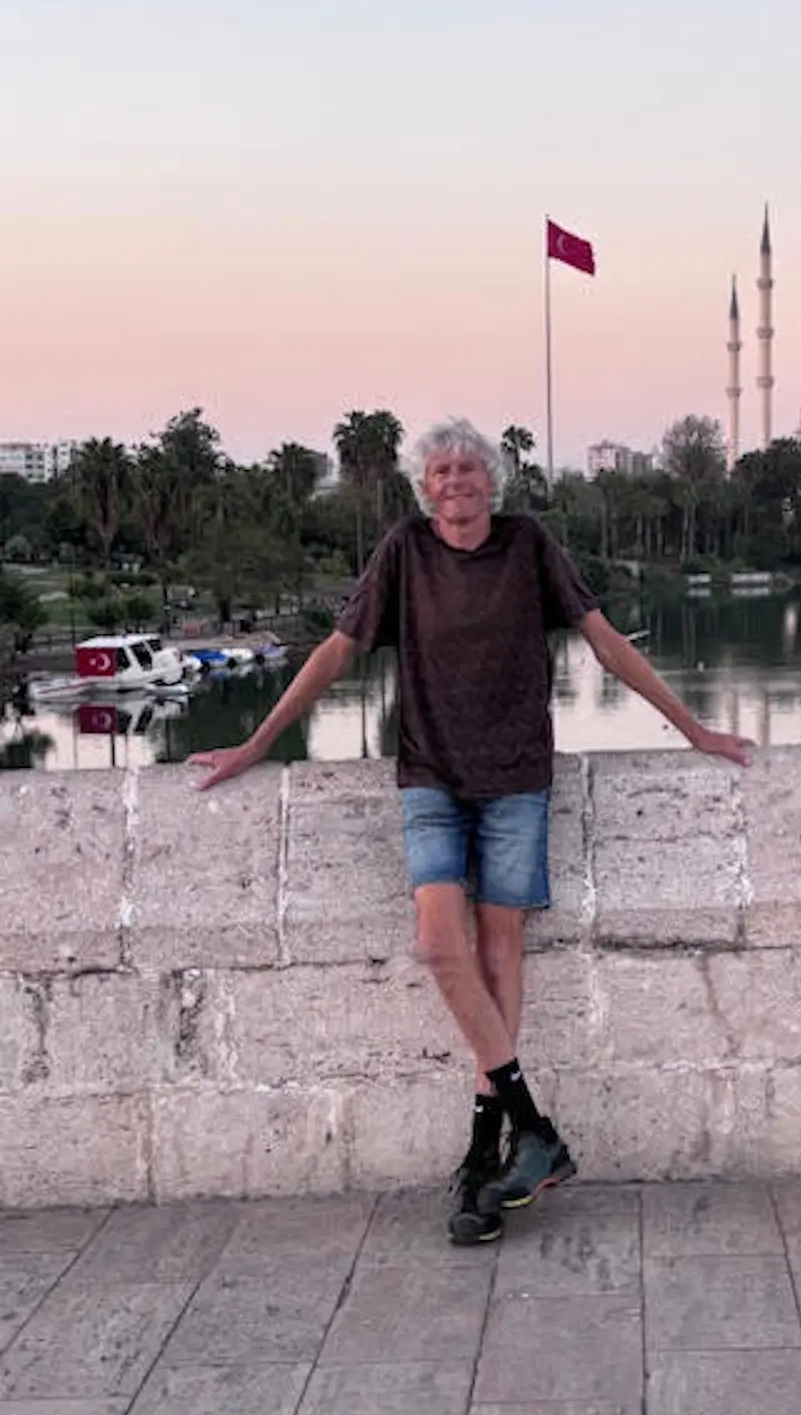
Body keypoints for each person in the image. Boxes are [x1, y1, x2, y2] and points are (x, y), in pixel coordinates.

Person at [189, 418, 751, 1244]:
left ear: (491, 481)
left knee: (500, 953)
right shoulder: (404, 552)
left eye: (467, 470)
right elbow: (338, 653)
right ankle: (537, 1127)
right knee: (438, 946)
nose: (453, 482)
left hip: (516, 780)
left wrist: (694, 728)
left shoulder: (528, 546)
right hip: (431, 777)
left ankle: (485, 1154)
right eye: (440, 472)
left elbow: (603, 645)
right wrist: (258, 741)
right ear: (426, 489)